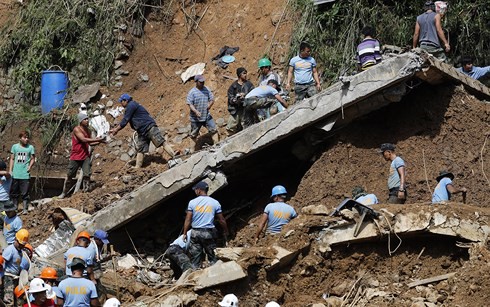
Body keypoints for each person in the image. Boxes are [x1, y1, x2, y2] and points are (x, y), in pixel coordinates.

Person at [109, 93, 176, 168]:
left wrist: (116, 130)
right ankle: (137, 167)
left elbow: (125, 120)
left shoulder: (131, 105)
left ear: (125, 100)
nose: (121, 103)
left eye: (121, 101)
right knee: (140, 149)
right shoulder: (132, 105)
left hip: (149, 127)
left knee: (161, 142)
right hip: (142, 131)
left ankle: (174, 157)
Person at [182, 181, 229, 268]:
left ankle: (194, 277)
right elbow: (221, 219)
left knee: (195, 259)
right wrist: (226, 231)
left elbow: (188, 219)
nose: (195, 191)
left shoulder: (192, 202)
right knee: (213, 258)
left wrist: (185, 233)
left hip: (195, 233)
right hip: (209, 233)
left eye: (195, 190)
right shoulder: (215, 202)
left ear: (199, 190)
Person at [59, 113, 106, 199]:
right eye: (85, 119)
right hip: (76, 156)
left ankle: (85, 192)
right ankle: (64, 193)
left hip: (85, 156)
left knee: (87, 174)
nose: (87, 121)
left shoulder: (88, 131)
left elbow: (90, 142)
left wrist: (100, 141)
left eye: (87, 119)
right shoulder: (77, 129)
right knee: (70, 175)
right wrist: (98, 139)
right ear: (81, 121)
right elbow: (83, 139)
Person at [186, 75, 219, 149]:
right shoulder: (192, 92)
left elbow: (212, 99)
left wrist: (209, 105)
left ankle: (217, 145)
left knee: (213, 130)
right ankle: (191, 151)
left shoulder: (206, 89)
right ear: (196, 82)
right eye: (200, 82)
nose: (202, 83)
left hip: (206, 115)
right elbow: (190, 104)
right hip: (195, 118)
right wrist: (195, 111)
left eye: (203, 82)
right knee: (193, 135)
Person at [9, 131, 35, 215]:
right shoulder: (15, 147)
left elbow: (32, 158)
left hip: (25, 174)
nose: (26, 139)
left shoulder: (30, 147)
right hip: (15, 174)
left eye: (27, 137)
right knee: (14, 192)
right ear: (20, 138)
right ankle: (15, 208)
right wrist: (10, 170)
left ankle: (25, 209)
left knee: (25, 193)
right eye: (24, 137)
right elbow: (12, 159)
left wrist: (29, 167)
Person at [2, 229, 29, 305]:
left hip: (16, 277)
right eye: (20, 244)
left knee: (18, 299)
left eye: (23, 245)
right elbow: (2, 262)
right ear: (15, 239)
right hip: (8, 277)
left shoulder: (20, 251)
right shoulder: (10, 250)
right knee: (9, 300)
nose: (21, 246)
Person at [226, 67, 255, 134]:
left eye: (246, 73)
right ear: (239, 75)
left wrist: (245, 96)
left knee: (246, 127)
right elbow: (230, 98)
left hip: (246, 109)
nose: (245, 75)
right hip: (236, 110)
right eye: (244, 73)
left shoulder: (249, 84)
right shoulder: (233, 86)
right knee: (230, 127)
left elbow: (253, 94)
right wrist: (237, 99)